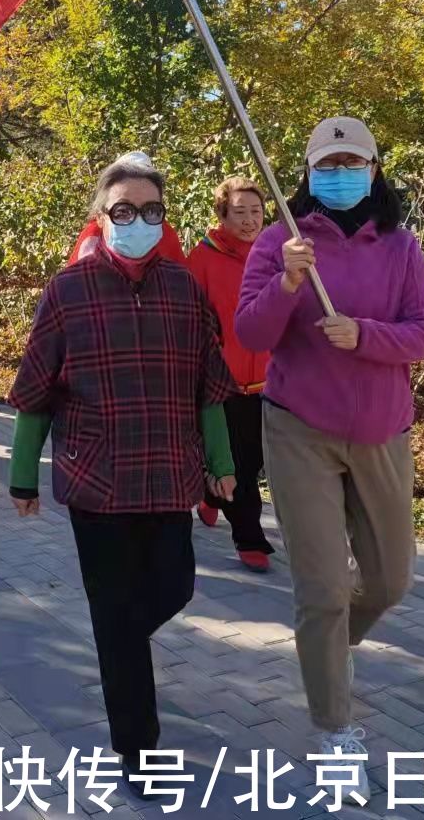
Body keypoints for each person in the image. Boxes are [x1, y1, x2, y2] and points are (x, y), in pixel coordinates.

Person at [7, 156, 237, 775]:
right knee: (114, 612)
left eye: (151, 211)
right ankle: (136, 746)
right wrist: (22, 475)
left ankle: (115, 643)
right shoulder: (67, 292)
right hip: (96, 481)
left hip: (168, 474)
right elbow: (35, 395)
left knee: (173, 586)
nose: (138, 220)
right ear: (101, 219)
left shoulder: (184, 290)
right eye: (124, 210)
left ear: (164, 220)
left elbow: (208, 389)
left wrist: (221, 463)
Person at [234, 116, 424, 801]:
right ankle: (334, 729)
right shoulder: (280, 242)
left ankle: (322, 649)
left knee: (389, 582)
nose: (340, 174)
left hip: (384, 428)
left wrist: (366, 336)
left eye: (353, 162)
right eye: (328, 163)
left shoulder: (401, 246)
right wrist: (289, 283)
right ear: (308, 173)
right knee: (321, 590)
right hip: (300, 430)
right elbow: (251, 333)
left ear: (375, 170)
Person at [187, 176, 277, 572]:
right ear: (221, 214)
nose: (249, 220)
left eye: (255, 211)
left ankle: (213, 497)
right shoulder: (202, 259)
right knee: (239, 461)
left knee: (256, 459)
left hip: (272, 380)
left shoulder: (275, 255)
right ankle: (249, 538)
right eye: (239, 212)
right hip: (224, 381)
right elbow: (190, 316)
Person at [68, 152, 185, 265]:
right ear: (101, 216)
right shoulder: (94, 232)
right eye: (123, 211)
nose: (137, 221)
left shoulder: (165, 232)